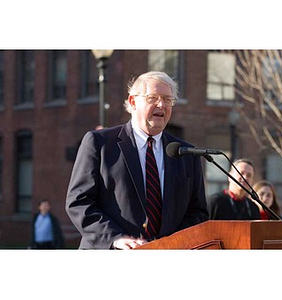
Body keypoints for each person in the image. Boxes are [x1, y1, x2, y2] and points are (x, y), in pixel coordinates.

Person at [65, 71, 208, 249]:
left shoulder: (185, 152)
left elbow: (197, 212)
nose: (161, 105)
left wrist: (172, 244)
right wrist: (116, 239)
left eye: (168, 99)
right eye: (152, 98)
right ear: (133, 102)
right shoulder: (100, 144)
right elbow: (79, 202)